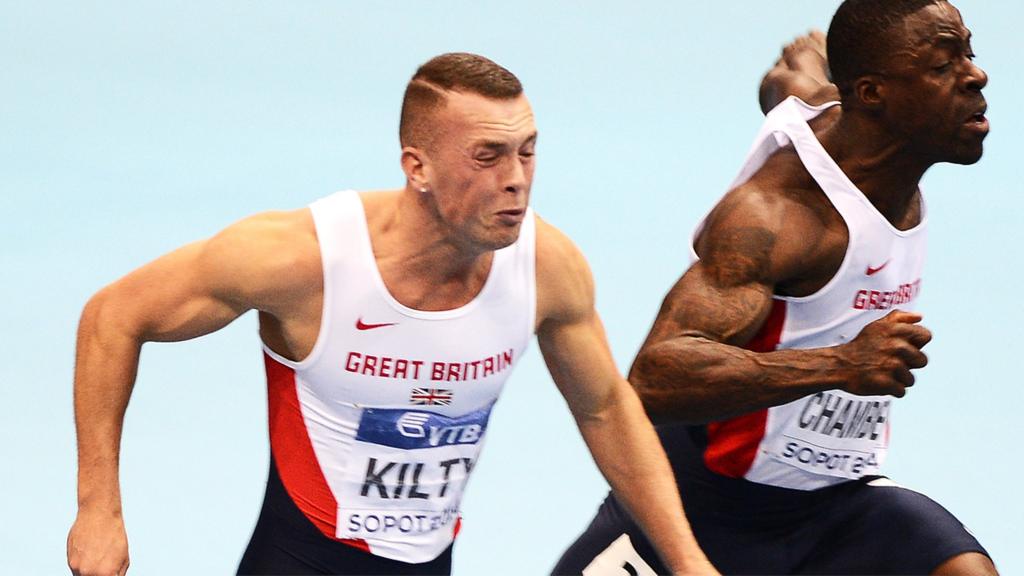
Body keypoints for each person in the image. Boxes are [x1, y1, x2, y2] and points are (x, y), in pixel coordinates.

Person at [65, 53, 716, 576]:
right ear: (418, 167)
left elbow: (604, 407)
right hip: (299, 560)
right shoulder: (303, 261)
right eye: (488, 156)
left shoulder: (546, 268)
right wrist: (99, 510)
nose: (517, 178)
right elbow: (112, 317)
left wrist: (687, 563)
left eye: (528, 151)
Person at [554, 1, 997, 574]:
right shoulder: (776, 217)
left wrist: (793, 73)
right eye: (943, 65)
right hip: (705, 511)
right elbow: (654, 380)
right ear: (872, 94)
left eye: (969, 52)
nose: (975, 75)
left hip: (838, 510)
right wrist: (840, 365)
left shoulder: (845, 116)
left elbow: (801, 87)